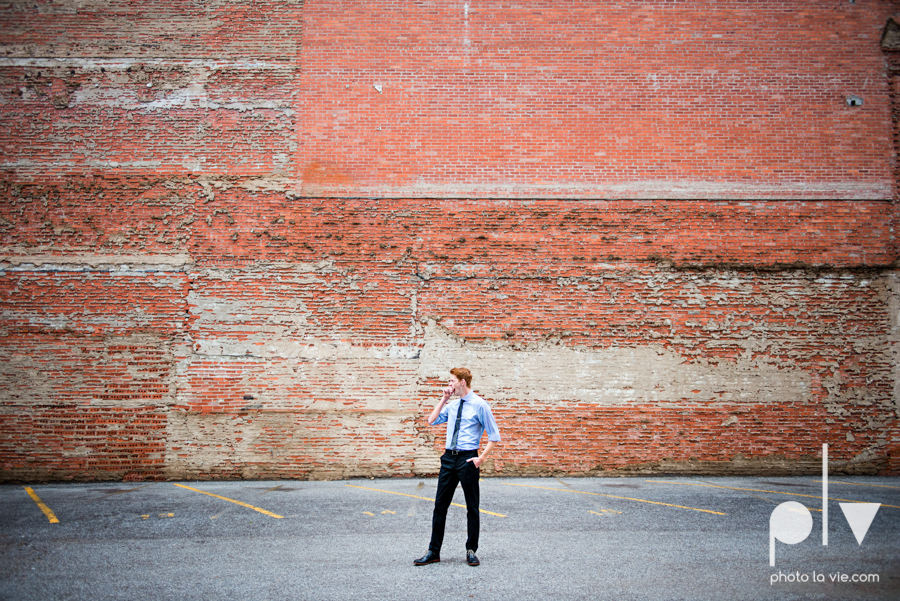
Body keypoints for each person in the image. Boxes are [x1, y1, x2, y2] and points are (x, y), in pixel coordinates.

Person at [414, 367, 501, 567]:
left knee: (472, 507)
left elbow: (494, 436)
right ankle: (433, 552)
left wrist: (481, 458)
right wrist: (444, 399)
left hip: (468, 458)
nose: (449, 384)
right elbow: (431, 420)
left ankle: (471, 550)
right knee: (440, 506)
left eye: (452, 381)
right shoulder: (452, 406)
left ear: (462, 382)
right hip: (448, 459)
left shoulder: (480, 405)